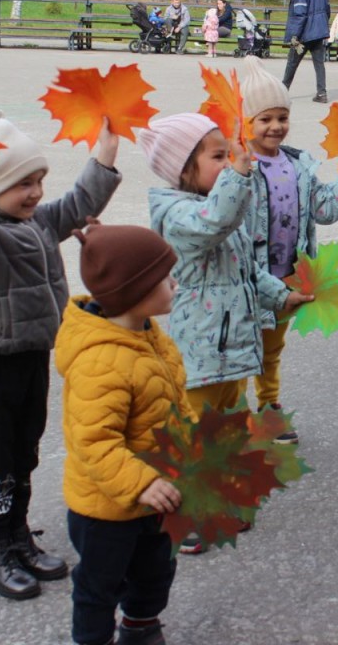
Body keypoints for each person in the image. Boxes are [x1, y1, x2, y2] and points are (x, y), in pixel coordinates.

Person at [0, 111, 122, 600]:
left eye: (39, 180)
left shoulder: (37, 221)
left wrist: (105, 152)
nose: (36, 192)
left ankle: (18, 534)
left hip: (34, 357)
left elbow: (79, 204)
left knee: (25, 452)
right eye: (23, 183)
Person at [136, 113, 311, 555]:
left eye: (228, 155)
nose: (231, 162)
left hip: (233, 348)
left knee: (231, 429)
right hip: (200, 351)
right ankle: (187, 512)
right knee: (194, 435)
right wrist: (238, 175)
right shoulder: (178, 214)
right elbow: (214, 222)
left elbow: (247, 267)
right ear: (183, 169)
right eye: (218, 157)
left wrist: (279, 296)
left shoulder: (221, 206)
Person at [57, 223, 194, 645]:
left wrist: (193, 448)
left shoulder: (148, 334)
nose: (174, 282)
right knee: (100, 586)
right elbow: (94, 442)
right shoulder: (101, 363)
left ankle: (140, 625)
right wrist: (141, 483)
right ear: (135, 291)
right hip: (107, 510)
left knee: (156, 572)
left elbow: (175, 398)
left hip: (157, 493)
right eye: (164, 277)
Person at [241, 57, 338, 442]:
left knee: (271, 350)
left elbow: (324, 209)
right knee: (237, 350)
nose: (276, 126)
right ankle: (228, 413)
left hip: (286, 280)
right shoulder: (237, 167)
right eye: (265, 118)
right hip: (246, 280)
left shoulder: (298, 166)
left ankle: (268, 408)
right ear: (245, 121)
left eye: (282, 117)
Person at [282, 0, 331, 104]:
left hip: (304, 34)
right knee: (319, 64)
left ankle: (282, 92)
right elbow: (327, 11)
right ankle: (322, 93)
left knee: (292, 63)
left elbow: (299, 14)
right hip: (319, 32)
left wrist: (294, 35)